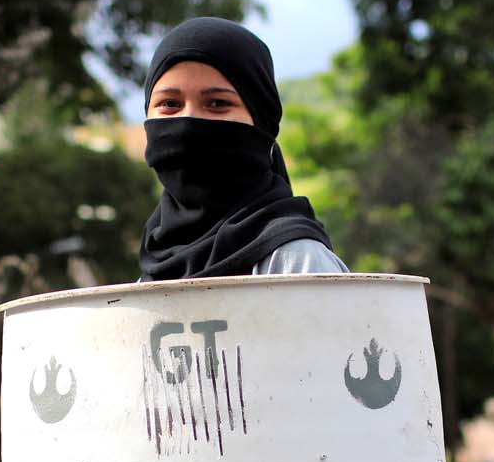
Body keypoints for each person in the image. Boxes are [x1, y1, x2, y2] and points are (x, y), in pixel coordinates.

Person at [137, 17, 349, 280]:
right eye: (169, 103)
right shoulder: (153, 268)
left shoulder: (295, 262)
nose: (188, 121)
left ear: (261, 121)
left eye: (217, 103)